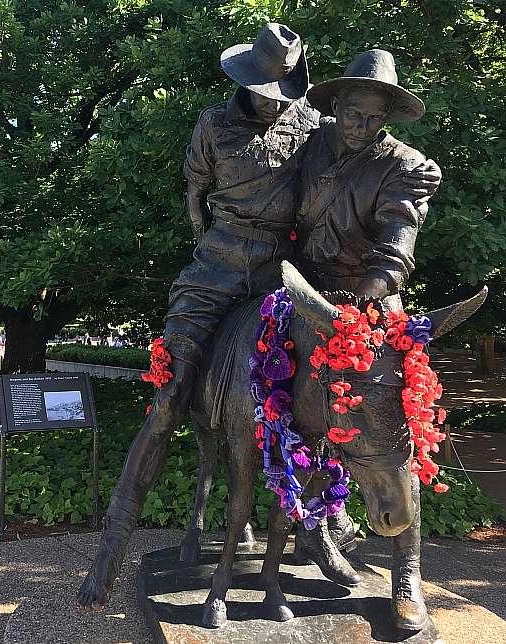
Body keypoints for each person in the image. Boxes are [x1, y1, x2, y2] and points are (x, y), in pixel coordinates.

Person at [78, 23, 319, 609]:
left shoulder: (315, 127)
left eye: (280, 90)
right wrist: (221, 247)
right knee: (169, 396)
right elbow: (195, 199)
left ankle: (324, 528)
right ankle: (111, 547)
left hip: (282, 275)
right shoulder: (212, 124)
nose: (272, 101)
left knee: (327, 383)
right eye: (263, 90)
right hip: (216, 269)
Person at [293, 49, 441, 629]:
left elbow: (399, 236)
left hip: (370, 296)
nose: (362, 126)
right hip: (306, 291)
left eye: (375, 118)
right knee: (287, 405)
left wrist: (369, 301)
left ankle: (408, 573)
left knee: (393, 418)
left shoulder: (405, 165)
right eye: (354, 113)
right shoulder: (308, 143)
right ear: (335, 106)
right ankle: (314, 522)